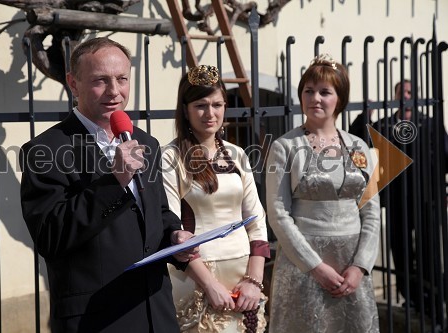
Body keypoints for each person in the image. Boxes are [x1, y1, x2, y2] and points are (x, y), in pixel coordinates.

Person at [19, 37, 197, 333]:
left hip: (157, 312)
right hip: (97, 319)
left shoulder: (145, 142)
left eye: (122, 79)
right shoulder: (44, 150)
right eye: (100, 81)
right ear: (73, 84)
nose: (114, 91)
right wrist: (114, 182)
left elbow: (159, 213)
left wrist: (175, 237)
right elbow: (50, 237)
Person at [265, 54, 381, 332]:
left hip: (351, 268)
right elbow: (278, 213)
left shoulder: (359, 147)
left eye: (324, 92)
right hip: (302, 266)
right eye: (308, 91)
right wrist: (315, 267)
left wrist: (361, 267)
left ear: (339, 98)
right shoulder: (284, 147)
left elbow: (372, 210)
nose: (315, 98)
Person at [161, 65, 271, 332]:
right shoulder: (170, 157)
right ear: (185, 109)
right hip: (197, 280)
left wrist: (254, 282)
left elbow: (256, 222)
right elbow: (171, 228)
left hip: (244, 277)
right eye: (201, 105)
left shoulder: (237, 154)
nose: (210, 113)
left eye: (217, 105)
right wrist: (209, 285)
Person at [349, 80, 448, 315]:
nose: (405, 97)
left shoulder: (430, 124)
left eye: (410, 93)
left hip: (427, 200)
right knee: (400, 250)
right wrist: (365, 114)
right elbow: (357, 142)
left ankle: (433, 300)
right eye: (401, 93)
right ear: (394, 96)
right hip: (396, 200)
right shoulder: (385, 125)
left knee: (429, 250)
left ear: (417, 97)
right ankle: (411, 298)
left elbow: (446, 154)